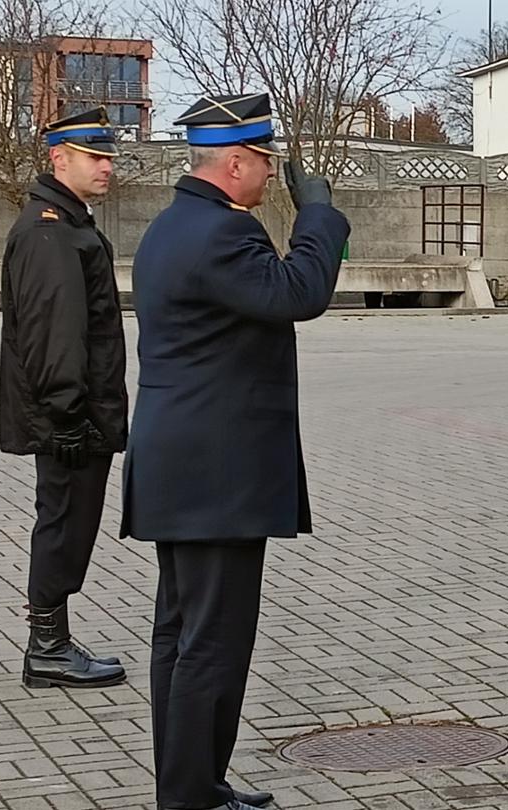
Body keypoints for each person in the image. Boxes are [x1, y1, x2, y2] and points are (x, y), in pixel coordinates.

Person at [124, 93, 350, 810]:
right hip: (213, 477)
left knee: (183, 637)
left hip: (183, 469)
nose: (273, 174)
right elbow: (299, 292)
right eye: (267, 163)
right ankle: (192, 798)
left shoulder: (173, 226)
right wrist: (318, 214)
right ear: (234, 163)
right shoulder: (222, 234)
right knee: (210, 643)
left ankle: (193, 785)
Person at [0, 106, 128, 689]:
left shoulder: (67, 223)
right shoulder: (50, 230)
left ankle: (51, 640)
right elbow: (55, 333)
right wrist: (67, 413)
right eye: (95, 157)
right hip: (69, 417)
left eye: (109, 156)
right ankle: (47, 646)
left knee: (69, 522)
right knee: (63, 523)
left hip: (75, 412)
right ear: (59, 158)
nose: (108, 167)